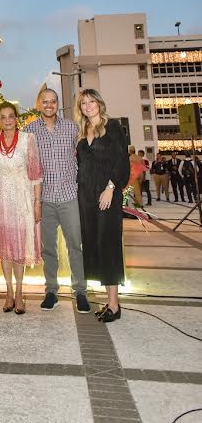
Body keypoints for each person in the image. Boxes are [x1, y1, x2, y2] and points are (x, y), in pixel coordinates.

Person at [25, 89, 90, 313]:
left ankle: (80, 291)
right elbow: (28, 166)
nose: (49, 105)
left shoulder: (72, 128)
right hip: (44, 200)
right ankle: (51, 290)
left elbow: (83, 158)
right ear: (38, 104)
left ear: (58, 104)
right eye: (45, 102)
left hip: (69, 196)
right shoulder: (30, 131)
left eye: (53, 102)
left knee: (75, 246)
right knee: (48, 249)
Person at [75, 89, 130, 323]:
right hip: (86, 197)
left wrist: (111, 187)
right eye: (84, 103)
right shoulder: (82, 131)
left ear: (99, 103)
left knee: (108, 244)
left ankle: (115, 305)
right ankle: (109, 301)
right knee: (94, 244)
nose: (88, 106)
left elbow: (121, 160)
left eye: (91, 101)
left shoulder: (114, 127)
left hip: (107, 194)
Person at [0, 101, 42, 315]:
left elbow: (36, 174)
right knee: (5, 246)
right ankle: (8, 292)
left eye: (11, 116)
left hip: (22, 198)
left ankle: (19, 293)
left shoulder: (28, 139)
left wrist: (37, 203)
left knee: (19, 246)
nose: (7, 120)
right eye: (3, 117)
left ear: (16, 118)